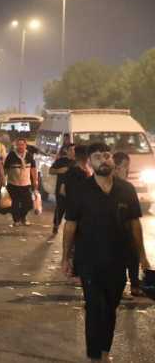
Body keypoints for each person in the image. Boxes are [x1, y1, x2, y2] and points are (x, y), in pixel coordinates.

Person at [63, 143, 151, 362]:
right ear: (90, 163)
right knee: (94, 307)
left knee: (111, 307)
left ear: (112, 160)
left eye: (106, 155)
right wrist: (66, 257)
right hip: (89, 261)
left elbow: (134, 224)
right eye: (97, 157)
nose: (103, 159)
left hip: (118, 259)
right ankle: (95, 355)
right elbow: (71, 225)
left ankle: (104, 348)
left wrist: (142, 255)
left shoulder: (126, 190)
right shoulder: (81, 190)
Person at [113, 152, 143, 297]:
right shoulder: (125, 188)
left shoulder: (127, 188)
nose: (128, 170)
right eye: (125, 167)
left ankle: (133, 284)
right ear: (117, 168)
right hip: (120, 237)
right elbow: (135, 221)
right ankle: (133, 285)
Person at [3, 137, 38, 227]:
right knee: (15, 203)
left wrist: (35, 181)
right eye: (18, 145)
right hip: (13, 184)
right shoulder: (11, 155)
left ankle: (23, 217)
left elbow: (33, 169)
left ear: (25, 145)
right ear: (16, 145)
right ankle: (16, 220)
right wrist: (2, 181)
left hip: (26, 184)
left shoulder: (29, 156)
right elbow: (5, 169)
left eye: (22, 144)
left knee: (28, 203)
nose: (20, 146)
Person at [49, 143, 76, 234]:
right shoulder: (61, 161)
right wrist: (59, 170)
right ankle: (56, 225)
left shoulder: (78, 162)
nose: (73, 152)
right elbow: (51, 170)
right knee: (60, 208)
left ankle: (72, 228)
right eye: (71, 150)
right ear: (67, 151)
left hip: (74, 191)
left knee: (73, 210)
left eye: (75, 150)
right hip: (61, 190)